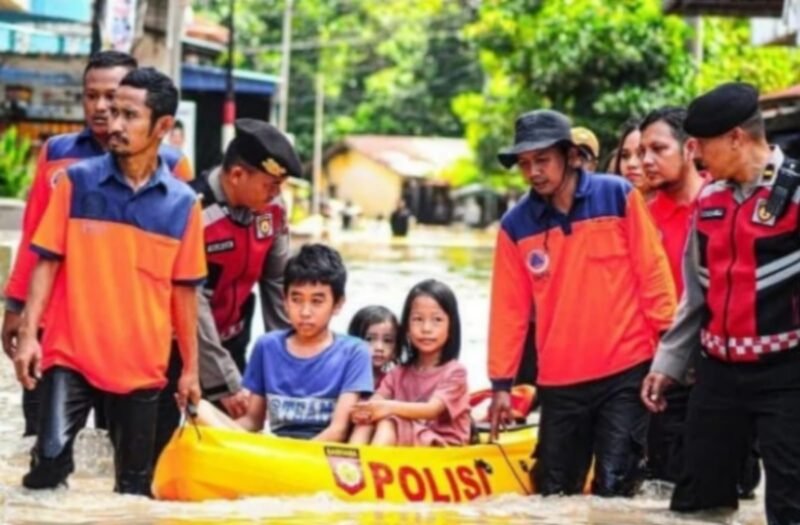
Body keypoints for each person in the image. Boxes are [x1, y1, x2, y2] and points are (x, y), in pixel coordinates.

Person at [12, 68, 205, 495]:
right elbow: (45, 261)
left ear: (163, 127)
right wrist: (29, 334)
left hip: (142, 365)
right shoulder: (76, 182)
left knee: (133, 490)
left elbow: (184, 292)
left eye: (128, 115)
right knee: (46, 467)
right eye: (112, 111)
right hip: (70, 354)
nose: (113, 123)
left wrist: (190, 369)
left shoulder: (182, 205)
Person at [487, 109, 676, 496]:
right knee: (554, 494)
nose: (533, 172)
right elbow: (508, 310)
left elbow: (652, 273)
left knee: (615, 489)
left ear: (571, 156)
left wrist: (669, 351)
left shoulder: (618, 195)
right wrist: (501, 384)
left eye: (542, 160)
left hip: (626, 371)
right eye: (524, 164)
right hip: (559, 382)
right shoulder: (514, 226)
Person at [641, 83, 800, 525]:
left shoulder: (796, 195)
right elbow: (695, 295)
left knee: (789, 502)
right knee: (698, 504)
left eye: (702, 145)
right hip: (717, 375)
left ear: (736, 138)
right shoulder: (708, 201)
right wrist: (668, 364)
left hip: (787, 374)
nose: (695, 157)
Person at [152, 119, 300, 457]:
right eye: (270, 184)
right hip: (176, 346)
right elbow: (193, 300)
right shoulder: (191, 208)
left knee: (234, 439)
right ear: (236, 176)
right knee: (158, 446)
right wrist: (226, 381)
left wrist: (290, 357)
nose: (276, 193)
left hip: (232, 337)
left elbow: (276, 284)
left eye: (280, 185)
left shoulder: (273, 211)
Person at [197, 244, 373, 441]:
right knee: (200, 409)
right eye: (297, 299)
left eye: (317, 301)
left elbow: (338, 430)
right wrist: (215, 435)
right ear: (285, 300)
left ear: (338, 304)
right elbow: (253, 420)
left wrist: (291, 456)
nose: (305, 312)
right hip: (276, 449)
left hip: (322, 455)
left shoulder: (354, 352)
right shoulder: (267, 346)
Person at [637, 107, 705, 484]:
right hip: (659, 375)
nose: (646, 161)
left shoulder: (723, 207)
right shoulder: (640, 218)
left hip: (718, 371)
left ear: (690, 149)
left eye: (658, 149)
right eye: (641, 150)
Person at [349, 279, 470, 447]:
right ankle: (349, 460)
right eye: (418, 319)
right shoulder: (398, 373)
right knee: (370, 418)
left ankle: (369, 466)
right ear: (406, 327)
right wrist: (366, 410)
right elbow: (378, 400)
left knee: (389, 421)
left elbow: (431, 410)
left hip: (442, 446)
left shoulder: (455, 372)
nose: (426, 328)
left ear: (451, 327)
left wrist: (387, 407)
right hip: (410, 439)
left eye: (437, 320)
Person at [348, 305, 399, 388]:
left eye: (387, 340)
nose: (379, 348)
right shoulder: (343, 379)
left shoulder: (393, 384)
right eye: (369, 339)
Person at [611, 118, 651, 200]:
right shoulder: (607, 208)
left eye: (641, 154)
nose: (631, 164)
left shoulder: (681, 210)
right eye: (625, 156)